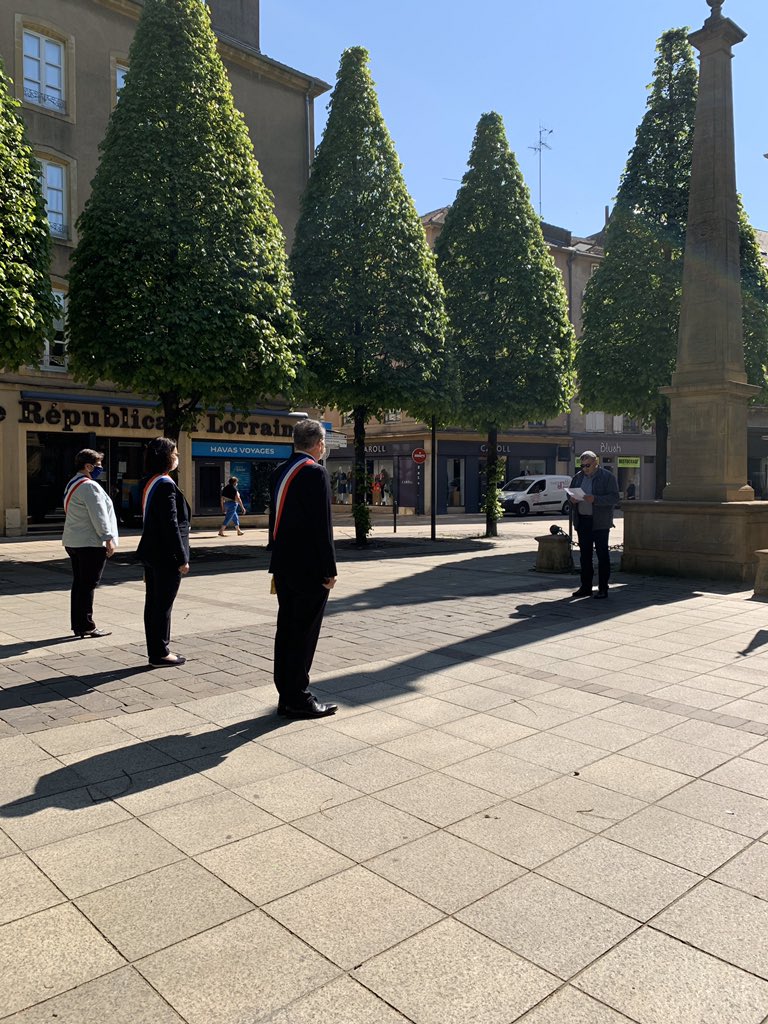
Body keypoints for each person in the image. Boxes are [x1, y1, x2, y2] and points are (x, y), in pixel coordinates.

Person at [268, 419, 337, 718]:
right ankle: (298, 696)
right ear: (319, 444)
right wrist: (329, 569)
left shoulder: (279, 472)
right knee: (304, 633)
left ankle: (286, 692)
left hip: (283, 565)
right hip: (308, 568)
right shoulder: (314, 472)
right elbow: (322, 526)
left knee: (287, 630)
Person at [136, 438, 190, 667]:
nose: (177, 457)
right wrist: (181, 558)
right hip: (166, 555)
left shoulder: (148, 482)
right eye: (175, 453)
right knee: (162, 606)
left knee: (153, 604)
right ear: (166, 457)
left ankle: (156, 649)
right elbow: (170, 524)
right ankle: (160, 652)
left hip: (152, 552)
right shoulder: (165, 484)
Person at [62, 449, 119, 638]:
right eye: (98, 465)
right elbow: (99, 515)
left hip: (74, 541)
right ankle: (86, 625)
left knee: (79, 584)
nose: (100, 469)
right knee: (88, 585)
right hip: (90, 543)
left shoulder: (72, 483)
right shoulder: (90, 486)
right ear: (88, 466)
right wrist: (108, 538)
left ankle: (79, 625)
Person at [569, 450, 620, 599]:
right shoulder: (577, 478)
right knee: (585, 556)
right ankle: (586, 587)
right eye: (582, 465)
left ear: (595, 463)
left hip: (600, 522)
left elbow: (614, 498)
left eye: (587, 465)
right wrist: (571, 499)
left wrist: (595, 499)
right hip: (583, 520)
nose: (584, 468)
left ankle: (603, 588)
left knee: (602, 555)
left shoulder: (607, 477)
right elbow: (570, 493)